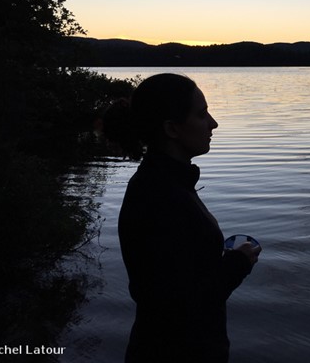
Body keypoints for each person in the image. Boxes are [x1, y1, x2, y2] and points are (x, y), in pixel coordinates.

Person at [103, 73, 261, 362]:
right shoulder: (160, 195)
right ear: (172, 129)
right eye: (202, 115)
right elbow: (179, 302)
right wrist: (239, 263)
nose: (213, 124)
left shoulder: (164, 182)